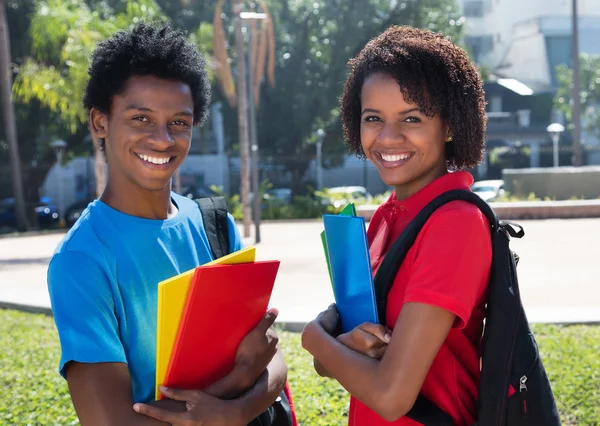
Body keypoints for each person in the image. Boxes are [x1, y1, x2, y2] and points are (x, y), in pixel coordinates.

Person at [47, 22, 288, 426]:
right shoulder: (81, 260)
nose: (162, 139)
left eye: (179, 121)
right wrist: (237, 385)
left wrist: (234, 410)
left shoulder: (215, 224)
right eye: (141, 118)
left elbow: (271, 357)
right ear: (99, 122)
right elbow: (112, 421)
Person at [301, 26, 492, 425]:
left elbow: (390, 396)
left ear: (451, 125)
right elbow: (342, 357)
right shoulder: (389, 215)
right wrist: (341, 345)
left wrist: (315, 338)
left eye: (412, 118)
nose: (388, 137)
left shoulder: (455, 224)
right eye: (374, 118)